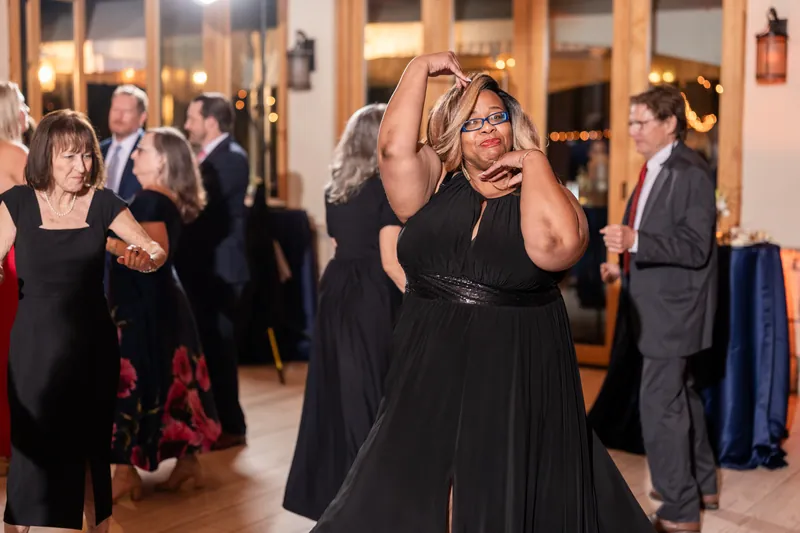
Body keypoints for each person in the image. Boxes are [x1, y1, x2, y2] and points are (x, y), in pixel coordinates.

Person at [309, 51, 654, 533]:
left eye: (497, 117)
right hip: (427, 361)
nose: (489, 128)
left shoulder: (544, 188)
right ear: (452, 135)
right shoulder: (432, 183)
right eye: (472, 122)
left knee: (490, 485)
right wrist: (419, 69)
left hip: (511, 362)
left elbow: (555, 249)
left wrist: (532, 162)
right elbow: (391, 151)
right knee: (420, 486)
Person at [0, 109, 167, 533]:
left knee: (89, 445)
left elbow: (154, 250)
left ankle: (96, 524)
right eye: (68, 158)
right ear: (45, 158)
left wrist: (143, 260)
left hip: (90, 343)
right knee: (33, 441)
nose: (81, 167)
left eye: (87, 156)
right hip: (35, 344)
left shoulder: (104, 203)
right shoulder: (16, 203)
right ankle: (23, 523)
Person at [599, 84, 718, 533]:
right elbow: (652, 236)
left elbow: (695, 247)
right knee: (680, 396)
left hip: (675, 311)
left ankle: (679, 512)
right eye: (630, 122)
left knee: (659, 404)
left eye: (640, 122)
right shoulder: (653, 168)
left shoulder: (690, 172)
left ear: (669, 124)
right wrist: (623, 269)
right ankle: (703, 485)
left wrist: (634, 242)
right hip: (653, 302)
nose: (631, 131)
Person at [283, 103, 405, 521]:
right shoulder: (388, 189)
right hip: (375, 289)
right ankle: (371, 496)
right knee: (375, 390)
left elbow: (338, 243)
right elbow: (392, 259)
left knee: (338, 389)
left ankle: (337, 492)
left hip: (336, 288)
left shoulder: (336, 187)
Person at [108, 127, 221, 502]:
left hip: (144, 305)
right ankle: (188, 465)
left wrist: (99, 237)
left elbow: (152, 254)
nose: (135, 153)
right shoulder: (156, 198)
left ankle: (124, 472)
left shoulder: (151, 200)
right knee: (170, 376)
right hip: (160, 302)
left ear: (162, 161)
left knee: (137, 377)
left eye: (143, 149)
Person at [177, 93, 250, 449]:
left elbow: (204, 211)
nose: (187, 124)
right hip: (204, 267)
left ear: (210, 122)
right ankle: (214, 423)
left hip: (222, 268)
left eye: (191, 118)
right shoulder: (209, 157)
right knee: (208, 347)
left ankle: (232, 427)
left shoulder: (232, 159)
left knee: (220, 350)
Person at [0, 82, 29, 475]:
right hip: (11, 258)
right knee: (14, 352)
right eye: (22, 103)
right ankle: (13, 447)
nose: (28, 110)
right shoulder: (16, 154)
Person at [100, 85, 147, 201]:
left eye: (126, 111)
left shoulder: (149, 151)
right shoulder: (98, 150)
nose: (119, 116)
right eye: (115, 109)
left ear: (142, 117)